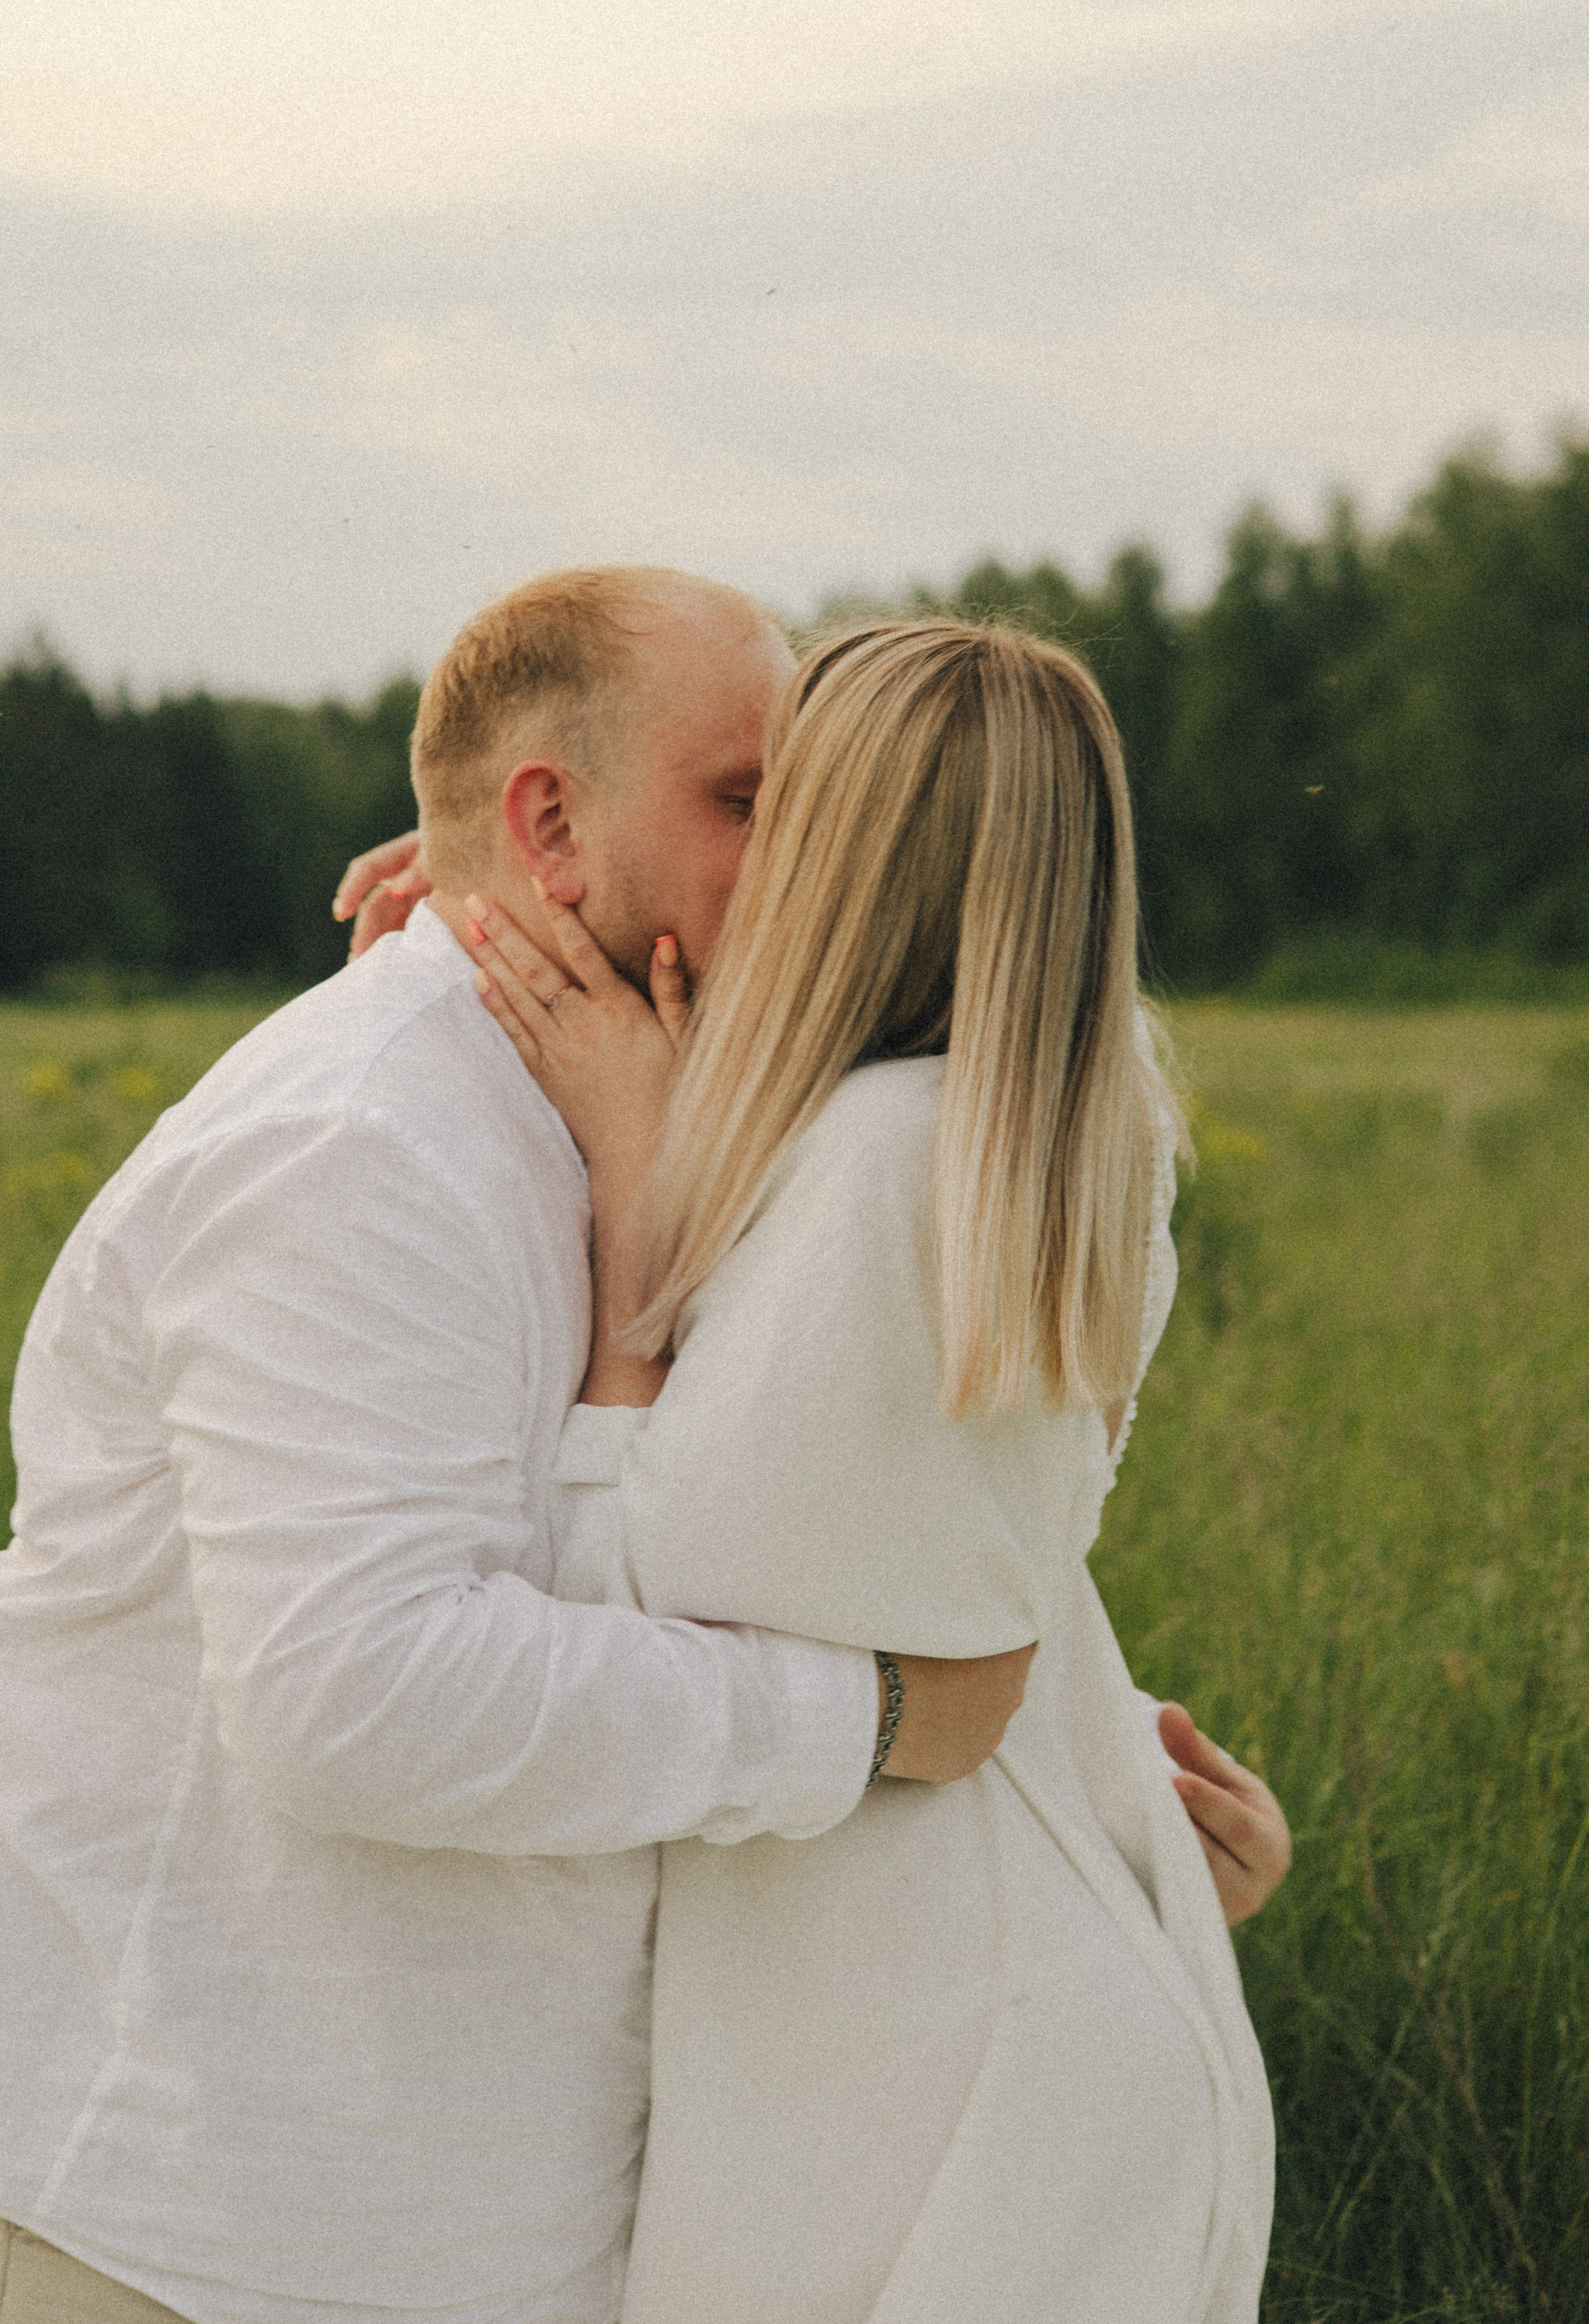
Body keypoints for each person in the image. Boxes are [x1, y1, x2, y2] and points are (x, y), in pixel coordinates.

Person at [0, 568, 1063, 2324]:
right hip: (152, 2203)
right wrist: (858, 1722)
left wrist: (1085, 1789)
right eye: (746, 803)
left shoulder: (669, 1112)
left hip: (421, 2216)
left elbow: (813, 1539)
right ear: (547, 825)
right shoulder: (366, 1140)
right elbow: (359, 1698)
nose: (807, 860)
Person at [457, 615, 1280, 2323]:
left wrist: (634, 1191)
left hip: (913, 2055)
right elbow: (949, 1567)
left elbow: (638, 1605)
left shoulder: (871, 1166)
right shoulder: (1059, 1119)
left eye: (776, 805)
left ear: (839, 857)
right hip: (1038, 1986)